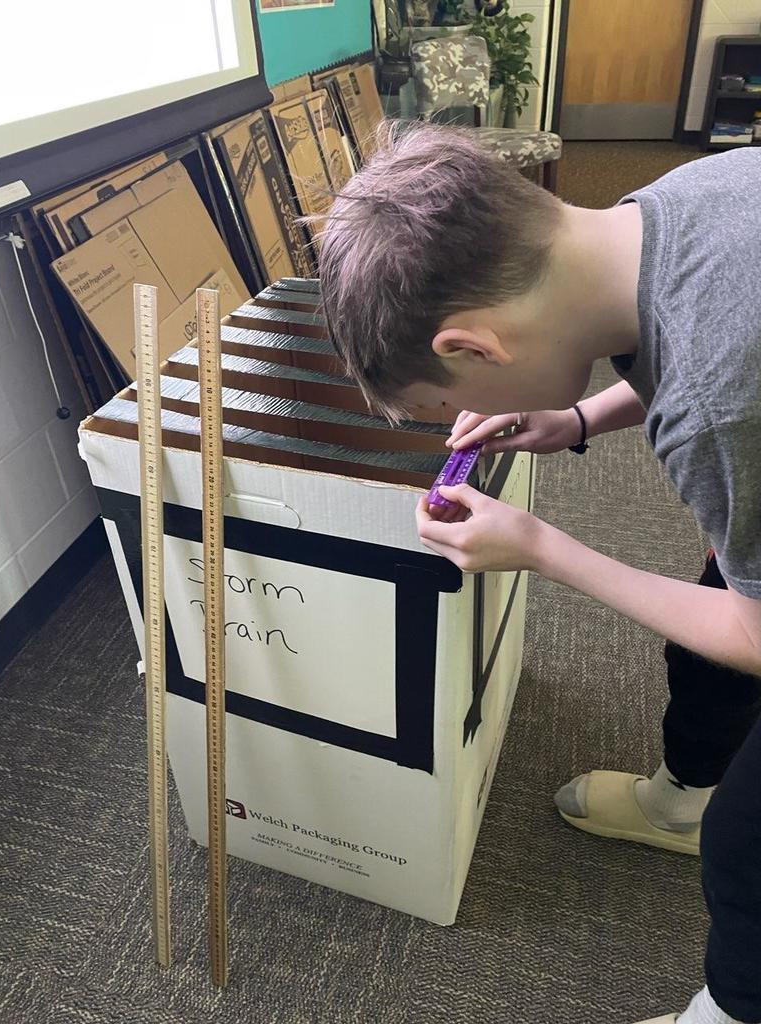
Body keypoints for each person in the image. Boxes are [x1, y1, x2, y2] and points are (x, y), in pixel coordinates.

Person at [316, 122, 761, 1024]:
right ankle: (685, 796)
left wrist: (547, 549)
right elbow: (690, 339)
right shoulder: (681, 202)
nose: (466, 419)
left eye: (450, 401)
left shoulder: (716, 413)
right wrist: (578, 416)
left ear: (473, 348)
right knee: (710, 622)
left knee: (746, 850)